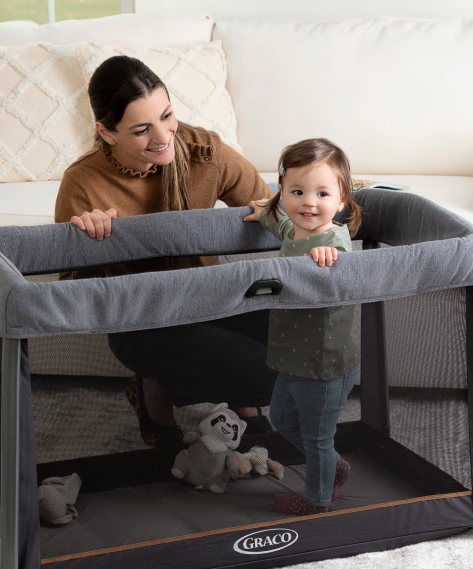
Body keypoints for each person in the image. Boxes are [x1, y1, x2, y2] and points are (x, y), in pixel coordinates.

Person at [55, 55, 276, 447]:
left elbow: (271, 208)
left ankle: (244, 403)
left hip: (210, 299)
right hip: (144, 320)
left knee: (287, 355)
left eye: (167, 115)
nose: (162, 137)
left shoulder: (205, 152)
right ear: (107, 133)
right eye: (141, 129)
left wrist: (270, 211)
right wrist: (90, 243)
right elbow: (72, 292)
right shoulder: (83, 183)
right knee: (256, 371)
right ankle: (153, 390)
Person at [242, 138, 363, 515]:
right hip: (290, 357)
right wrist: (264, 210)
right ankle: (332, 465)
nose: (308, 202)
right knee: (280, 418)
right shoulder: (293, 229)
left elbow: (340, 260)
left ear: (341, 200)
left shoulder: (332, 241)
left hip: (324, 365)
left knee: (316, 437)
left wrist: (329, 256)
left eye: (322, 193)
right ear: (283, 194)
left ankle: (316, 500)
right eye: (296, 191)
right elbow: (276, 221)